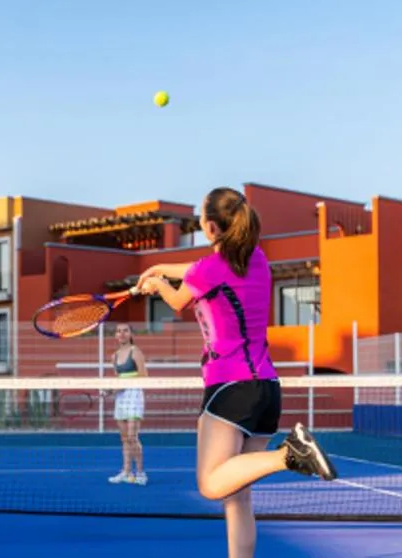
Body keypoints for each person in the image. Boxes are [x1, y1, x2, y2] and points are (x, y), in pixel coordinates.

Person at [136, 187, 337, 558]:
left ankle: (289, 455)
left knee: (212, 485)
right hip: (267, 389)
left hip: (230, 387)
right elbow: (198, 271)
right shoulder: (257, 259)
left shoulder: (209, 269)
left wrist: (158, 284)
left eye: (200, 221)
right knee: (238, 496)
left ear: (211, 227)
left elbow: (180, 298)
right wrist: (162, 268)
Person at [107, 322, 148, 486]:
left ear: (130, 334)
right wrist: (110, 390)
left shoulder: (135, 351)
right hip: (121, 398)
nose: (122, 334)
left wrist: (125, 384)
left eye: (125, 331)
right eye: (118, 331)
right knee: (124, 438)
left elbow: (144, 375)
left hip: (134, 395)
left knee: (132, 436)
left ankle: (140, 473)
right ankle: (125, 471)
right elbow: (118, 378)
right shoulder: (114, 356)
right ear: (116, 335)